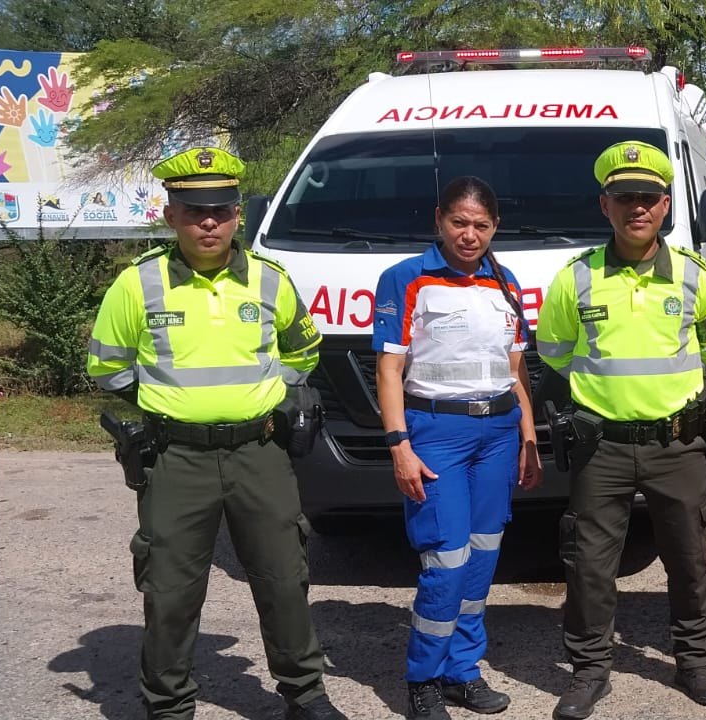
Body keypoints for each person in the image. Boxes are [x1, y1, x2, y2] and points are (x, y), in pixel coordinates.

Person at [86, 147, 347, 720]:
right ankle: (170, 704)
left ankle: (304, 695)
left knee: (283, 579)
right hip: (177, 457)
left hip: (261, 451)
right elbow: (107, 366)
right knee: (171, 590)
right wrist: (169, 405)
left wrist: (267, 394)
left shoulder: (270, 280)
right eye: (194, 209)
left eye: (222, 210)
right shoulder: (137, 285)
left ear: (237, 216)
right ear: (170, 213)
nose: (209, 222)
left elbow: (303, 347)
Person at [535, 140, 706, 719]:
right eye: (624, 198)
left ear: (665, 204)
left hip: (678, 443)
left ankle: (696, 662)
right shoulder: (576, 278)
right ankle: (590, 671)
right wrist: (607, 397)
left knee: (689, 557)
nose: (636, 208)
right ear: (605, 205)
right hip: (604, 447)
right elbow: (555, 353)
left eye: (647, 197)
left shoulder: (694, 276)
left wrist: (669, 397)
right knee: (589, 563)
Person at [371, 175, 541, 718]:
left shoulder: (505, 281)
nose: (470, 235)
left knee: (482, 559)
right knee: (445, 560)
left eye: (481, 225)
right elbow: (390, 368)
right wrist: (399, 444)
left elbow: (516, 370)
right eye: (459, 223)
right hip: (435, 434)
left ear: (496, 228)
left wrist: (529, 435)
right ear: (438, 220)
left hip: (497, 433)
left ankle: (462, 672)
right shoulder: (406, 279)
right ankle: (422, 679)